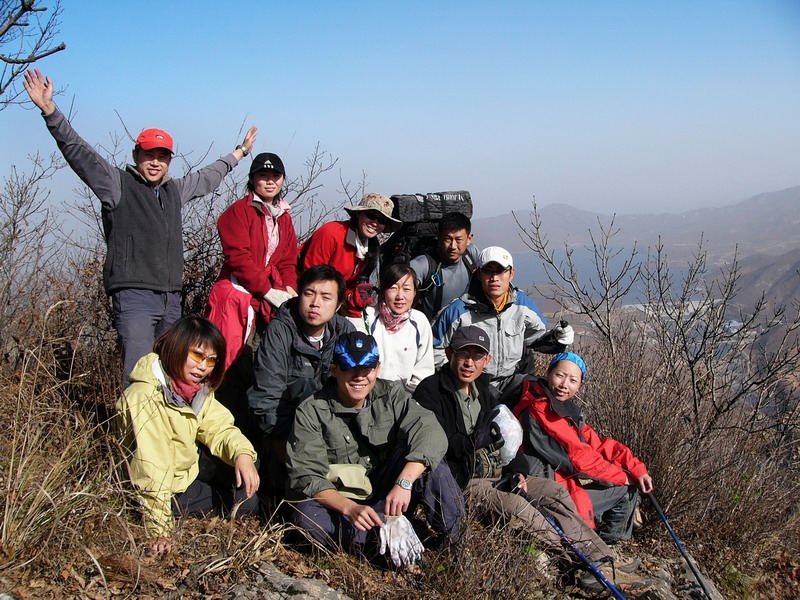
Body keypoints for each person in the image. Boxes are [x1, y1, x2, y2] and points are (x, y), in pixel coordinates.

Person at [23, 69, 257, 385]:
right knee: (139, 373)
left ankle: (164, 419)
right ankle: (132, 420)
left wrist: (239, 153)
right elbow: (80, 153)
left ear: (170, 160)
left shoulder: (174, 191)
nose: (156, 162)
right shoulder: (117, 184)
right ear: (136, 155)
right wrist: (50, 112)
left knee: (171, 373)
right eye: (149, 155)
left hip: (170, 297)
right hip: (134, 295)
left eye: (163, 156)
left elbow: (207, 177)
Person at [413, 327, 649, 591]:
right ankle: (584, 564)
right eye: (463, 354)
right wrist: (476, 442)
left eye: (477, 356)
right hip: (464, 481)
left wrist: (517, 470)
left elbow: (508, 437)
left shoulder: (483, 389)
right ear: (449, 354)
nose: (470, 362)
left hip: (500, 472)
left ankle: (602, 559)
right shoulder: (431, 392)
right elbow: (437, 445)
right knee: (521, 508)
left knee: (555, 492)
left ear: (486, 360)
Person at [286, 331, 463, 554]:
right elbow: (308, 477)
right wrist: (350, 508)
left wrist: (404, 483)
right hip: (343, 500)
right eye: (349, 367)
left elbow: (430, 431)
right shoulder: (310, 411)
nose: (359, 376)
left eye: (367, 367)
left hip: (389, 493)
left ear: (378, 368)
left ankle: (455, 543)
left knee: (431, 464)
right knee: (306, 517)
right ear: (334, 369)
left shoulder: (392, 395)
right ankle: (381, 541)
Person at [115, 316, 259, 557]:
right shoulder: (144, 396)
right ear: (176, 347)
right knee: (243, 504)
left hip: (184, 467)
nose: (203, 367)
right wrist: (159, 530)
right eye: (197, 355)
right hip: (165, 489)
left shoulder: (194, 389)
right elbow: (151, 468)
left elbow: (220, 427)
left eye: (211, 360)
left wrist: (242, 454)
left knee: (249, 467)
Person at [512, 352, 654, 545]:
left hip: (559, 485)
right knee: (626, 490)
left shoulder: (561, 408)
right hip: (551, 491)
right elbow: (579, 458)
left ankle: (601, 542)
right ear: (548, 373)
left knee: (625, 485)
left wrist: (636, 469)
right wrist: (624, 478)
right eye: (560, 375)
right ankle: (609, 546)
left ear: (580, 385)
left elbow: (597, 444)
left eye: (572, 380)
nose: (564, 385)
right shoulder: (542, 408)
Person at [247, 265, 354, 491]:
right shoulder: (280, 331)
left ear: (338, 305)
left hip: (332, 433)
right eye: (309, 293)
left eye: (326, 297)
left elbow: (359, 387)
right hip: (287, 434)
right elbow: (266, 399)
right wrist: (289, 456)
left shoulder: (345, 332)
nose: (315, 303)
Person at [432, 246, 574, 394]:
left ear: (511, 273)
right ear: (479, 274)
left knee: (543, 397)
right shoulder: (458, 310)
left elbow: (537, 339)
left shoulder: (522, 305)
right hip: (472, 384)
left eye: (500, 271)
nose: (494, 278)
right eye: (488, 271)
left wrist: (558, 339)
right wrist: (456, 378)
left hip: (510, 382)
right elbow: (434, 349)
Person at [206, 152, 298, 371]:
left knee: (262, 360)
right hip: (237, 295)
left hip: (267, 301)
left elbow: (287, 259)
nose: (270, 181)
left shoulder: (284, 217)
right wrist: (266, 290)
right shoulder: (238, 212)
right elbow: (239, 258)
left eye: (275, 176)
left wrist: (289, 288)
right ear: (252, 179)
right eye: (263, 175)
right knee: (227, 360)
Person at [299, 193, 401, 320]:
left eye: (381, 221)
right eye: (370, 215)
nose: (375, 223)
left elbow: (348, 285)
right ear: (358, 214)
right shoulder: (331, 233)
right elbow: (310, 276)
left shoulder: (371, 248)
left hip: (331, 301)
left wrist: (353, 297)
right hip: (304, 296)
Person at [353, 263, 434, 391]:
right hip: (370, 393)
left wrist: (406, 399)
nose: (400, 296)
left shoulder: (420, 321)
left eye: (406, 289)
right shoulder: (368, 317)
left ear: (414, 293)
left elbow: (424, 371)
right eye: (393, 288)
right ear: (383, 291)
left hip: (406, 396)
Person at [409, 212, 480, 322]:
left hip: (465, 328)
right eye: (448, 239)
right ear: (439, 238)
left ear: (469, 239)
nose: (453, 246)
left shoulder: (471, 255)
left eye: (458, 240)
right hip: (431, 330)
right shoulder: (423, 265)